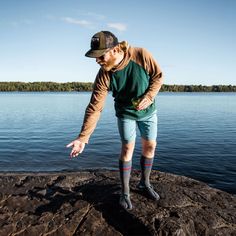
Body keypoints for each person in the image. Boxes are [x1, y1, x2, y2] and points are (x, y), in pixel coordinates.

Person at [67, 31, 163, 210]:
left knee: (150, 146)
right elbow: (95, 107)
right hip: (125, 113)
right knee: (128, 148)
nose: (97, 60)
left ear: (115, 50)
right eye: (95, 57)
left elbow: (158, 76)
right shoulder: (104, 74)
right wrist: (83, 137)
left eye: (100, 56)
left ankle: (144, 183)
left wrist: (149, 96)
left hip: (148, 112)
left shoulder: (141, 55)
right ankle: (125, 192)